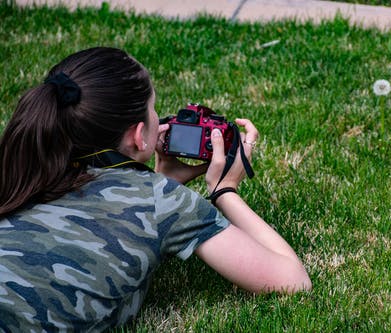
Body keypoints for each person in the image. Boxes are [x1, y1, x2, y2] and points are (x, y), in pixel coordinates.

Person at [0, 47, 311, 331]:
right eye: (153, 108)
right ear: (139, 135)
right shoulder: (161, 202)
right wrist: (224, 189)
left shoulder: (24, 166)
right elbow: (291, 282)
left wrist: (163, 181)